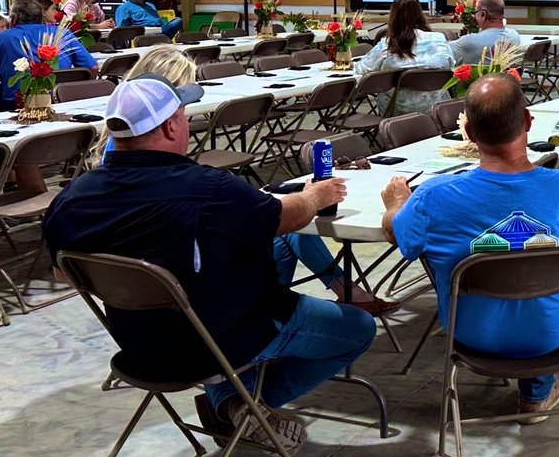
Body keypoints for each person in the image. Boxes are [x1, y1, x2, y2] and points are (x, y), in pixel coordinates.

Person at [43, 74, 374, 453]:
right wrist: (314, 196)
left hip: (139, 343)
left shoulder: (73, 197)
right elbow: (287, 216)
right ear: (171, 125)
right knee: (358, 327)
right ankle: (238, 403)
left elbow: (63, 272)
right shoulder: (209, 189)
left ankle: (235, 401)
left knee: (276, 247)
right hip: (221, 340)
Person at [93, 45, 399, 315]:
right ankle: (304, 308)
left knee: (288, 223)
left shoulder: (114, 159)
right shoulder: (168, 169)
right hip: (195, 284)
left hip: (149, 298)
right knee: (287, 224)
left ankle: (332, 294)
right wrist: (311, 199)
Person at [380, 73, 559, 422]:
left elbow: (400, 237)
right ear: (528, 121)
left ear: (468, 134)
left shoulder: (433, 197)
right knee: (539, 288)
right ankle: (537, 395)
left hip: (472, 337)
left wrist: (396, 204)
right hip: (553, 336)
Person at [0, 0, 98, 110]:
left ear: (13, 19)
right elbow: (93, 67)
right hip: (63, 102)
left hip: (17, 105)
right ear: (41, 17)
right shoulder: (62, 33)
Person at [354, 0, 454, 114]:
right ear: (420, 14)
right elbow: (451, 65)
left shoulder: (387, 45)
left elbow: (362, 69)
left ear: (393, 18)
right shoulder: (439, 40)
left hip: (395, 110)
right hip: (436, 109)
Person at [450, 0, 521, 64]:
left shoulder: (469, 41)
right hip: (506, 75)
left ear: (482, 14)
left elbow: (444, 50)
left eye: (476, 12)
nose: (474, 16)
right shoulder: (514, 36)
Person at [115, 0, 184, 38]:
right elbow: (122, 30)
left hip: (160, 31)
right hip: (142, 35)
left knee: (178, 21)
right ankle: (162, 39)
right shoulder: (124, 8)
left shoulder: (150, 5)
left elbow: (160, 22)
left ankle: (162, 39)